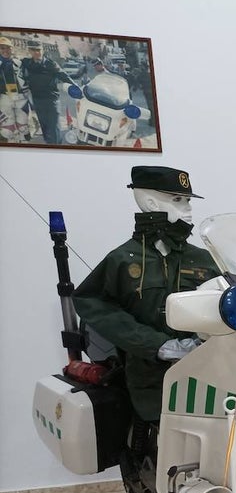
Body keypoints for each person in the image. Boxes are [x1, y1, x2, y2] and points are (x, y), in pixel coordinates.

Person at [73, 167, 223, 421]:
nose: (187, 208)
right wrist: (158, 345)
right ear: (150, 201)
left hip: (204, 370)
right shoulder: (122, 260)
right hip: (149, 376)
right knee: (164, 444)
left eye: (187, 200)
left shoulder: (203, 258)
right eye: (177, 200)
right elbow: (92, 302)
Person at [20, 41, 72, 145]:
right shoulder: (26, 63)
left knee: (54, 128)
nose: (36, 53)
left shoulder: (51, 64)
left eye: (38, 50)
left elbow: (65, 76)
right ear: (29, 51)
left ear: (42, 50)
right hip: (38, 101)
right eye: (33, 50)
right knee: (45, 128)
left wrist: (77, 88)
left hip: (52, 101)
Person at [0, 36, 31, 142]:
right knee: (7, 130)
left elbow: (27, 80)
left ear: (12, 49)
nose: (5, 50)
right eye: (2, 48)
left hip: (21, 98)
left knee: (24, 126)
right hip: (4, 100)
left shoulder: (19, 63)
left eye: (7, 48)